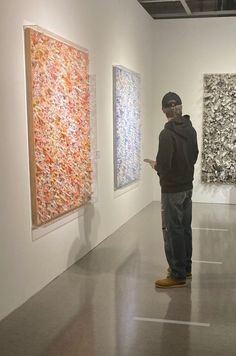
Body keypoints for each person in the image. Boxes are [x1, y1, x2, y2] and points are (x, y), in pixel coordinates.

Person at [145, 92, 198, 288]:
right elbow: (194, 156)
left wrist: (156, 166)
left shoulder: (166, 134)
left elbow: (165, 165)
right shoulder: (191, 130)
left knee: (172, 230)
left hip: (172, 190)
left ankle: (177, 274)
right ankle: (186, 267)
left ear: (164, 111)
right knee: (184, 228)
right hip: (187, 187)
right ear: (180, 108)